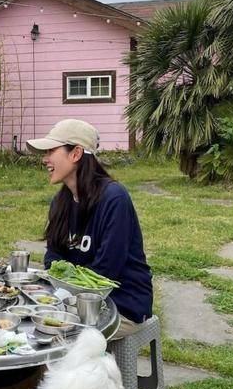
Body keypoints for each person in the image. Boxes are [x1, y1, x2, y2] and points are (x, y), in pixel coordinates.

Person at [27, 119, 152, 332]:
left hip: (121, 305)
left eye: (51, 151)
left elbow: (105, 272)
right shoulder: (61, 201)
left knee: (56, 334)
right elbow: (53, 258)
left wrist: (62, 296)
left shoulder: (114, 198)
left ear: (75, 154)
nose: (45, 159)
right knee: (30, 323)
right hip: (75, 301)